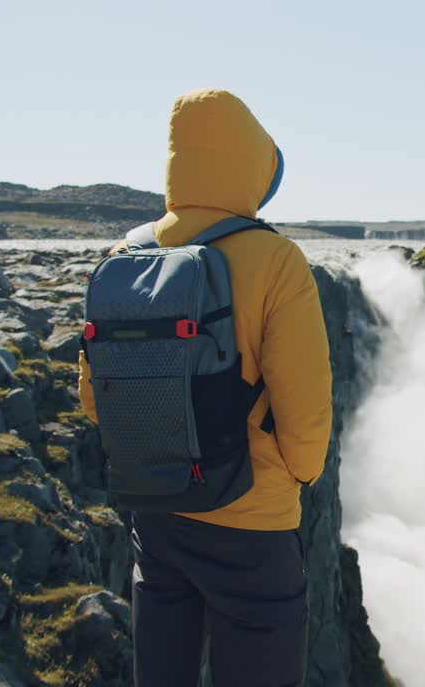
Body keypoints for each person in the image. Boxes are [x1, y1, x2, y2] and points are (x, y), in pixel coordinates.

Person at [78, 88, 332, 687]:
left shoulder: (126, 252)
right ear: (254, 167)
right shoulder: (275, 259)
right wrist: (298, 474)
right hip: (251, 518)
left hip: (157, 510)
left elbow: (96, 397)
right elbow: (305, 404)